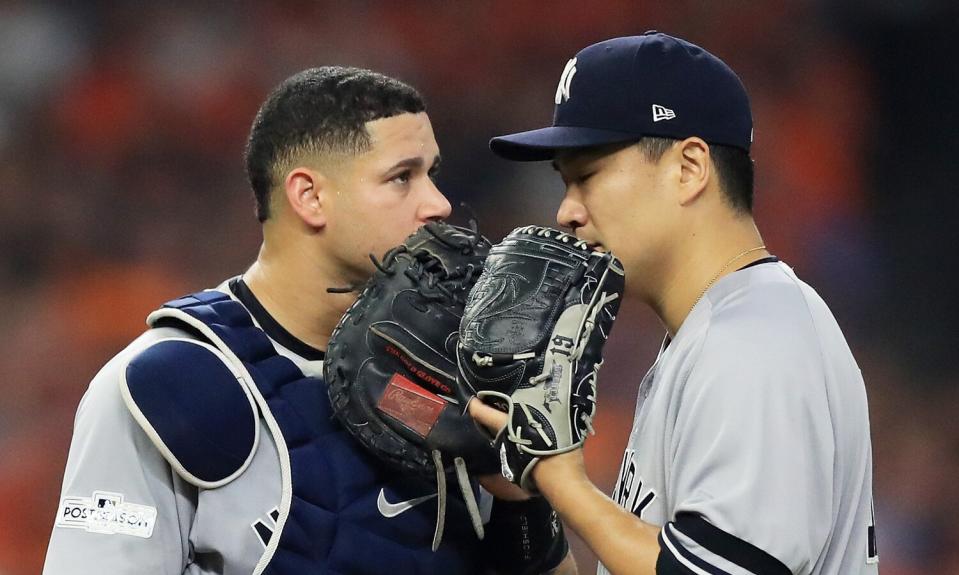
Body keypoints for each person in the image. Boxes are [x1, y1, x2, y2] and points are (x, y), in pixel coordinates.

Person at [44, 67, 572, 574]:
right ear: (310, 196)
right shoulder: (170, 384)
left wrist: (520, 503)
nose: (437, 204)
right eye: (401, 177)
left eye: (432, 174)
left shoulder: (453, 373)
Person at [470, 32, 878, 575]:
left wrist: (563, 482)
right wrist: (523, 501)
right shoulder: (720, 330)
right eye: (564, 183)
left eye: (586, 176)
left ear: (688, 168)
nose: (567, 211)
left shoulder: (754, 345)